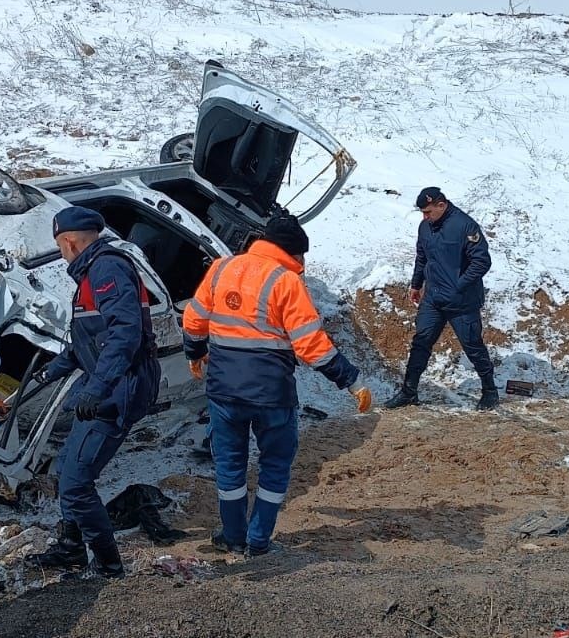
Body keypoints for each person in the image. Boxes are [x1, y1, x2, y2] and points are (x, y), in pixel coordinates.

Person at [182, 213, 372, 555]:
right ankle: (257, 541)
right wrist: (352, 382)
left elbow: (194, 319)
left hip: (224, 392)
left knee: (229, 466)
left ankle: (233, 536)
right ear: (292, 253)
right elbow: (311, 345)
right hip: (271, 396)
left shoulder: (222, 268)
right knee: (275, 465)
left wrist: (194, 353)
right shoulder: (286, 282)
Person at [25, 206, 162, 577]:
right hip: (106, 385)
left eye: (61, 246)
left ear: (69, 242)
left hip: (119, 389)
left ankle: (108, 564)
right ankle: (71, 546)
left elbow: (124, 335)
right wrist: (48, 372)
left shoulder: (106, 269)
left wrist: (97, 389)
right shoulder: (91, 273)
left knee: (76, 483)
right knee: (69, 465)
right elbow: (89, 339)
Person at [382, 187, 498, 410]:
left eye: (428, 212)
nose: (425, 217)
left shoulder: (465, 226)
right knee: (421, 342)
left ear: (441, 205)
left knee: (473, 345)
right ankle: (409, 391)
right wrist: (416, 284)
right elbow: (422, 257)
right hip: (433, 298)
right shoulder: (425, 227)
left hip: (462, 301)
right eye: (422, 213)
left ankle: (490, 391)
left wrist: (459, 285)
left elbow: (482, 262)